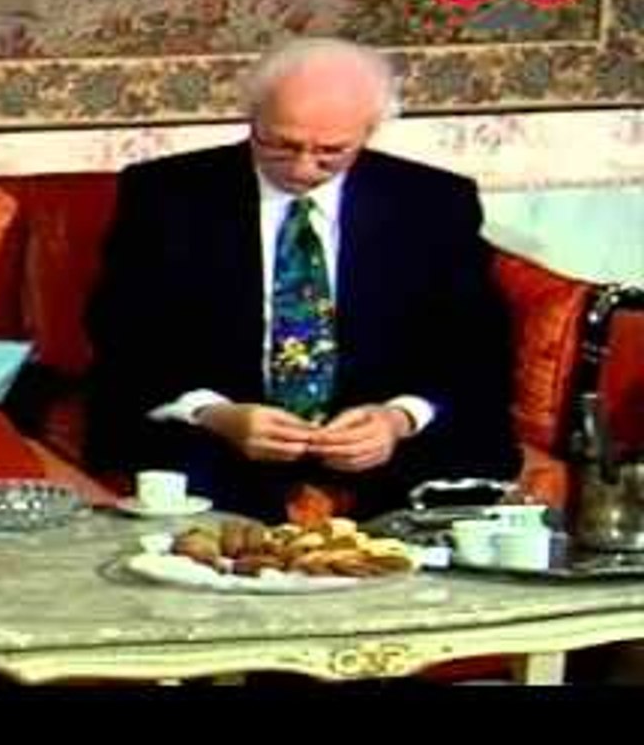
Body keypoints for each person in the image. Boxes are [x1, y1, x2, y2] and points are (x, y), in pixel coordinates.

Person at [84, 37, 521, 522]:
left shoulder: (433, 200)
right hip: (218, 425)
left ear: (369, 131)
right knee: (188, 491)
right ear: (252, 117)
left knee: (461, 476)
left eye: (331, 151)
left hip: (374, 425)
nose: (302, 168)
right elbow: (124, 332)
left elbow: (475, 342)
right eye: (280, 145)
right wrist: (216, 413)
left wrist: (398, 417)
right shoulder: (167, 193)